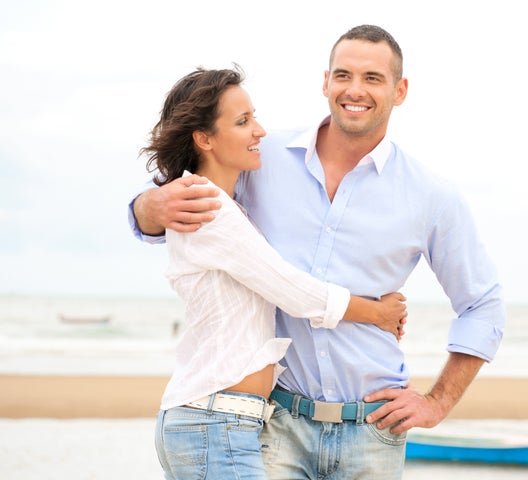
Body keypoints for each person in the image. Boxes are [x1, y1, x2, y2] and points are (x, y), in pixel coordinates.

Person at [130, 25, 505, 479]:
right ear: (325, 81)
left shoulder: (431, 196)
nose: (355, 90)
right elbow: (186, 214)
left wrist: (437, 402)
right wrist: (146, 206)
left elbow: (482, 306)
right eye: (343, 74)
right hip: (274, 426)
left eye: (372, 78)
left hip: (372, 432)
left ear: (399, 90)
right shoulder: (259, 155)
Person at [142, 66, 408, 480]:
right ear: (204, 138)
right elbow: (294, 291)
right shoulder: (208, 208)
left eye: (254, 117)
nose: (260, 131)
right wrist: (377, 314)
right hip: (215, 421)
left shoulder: (222, 205)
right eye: (243, 121)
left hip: (221, 420)